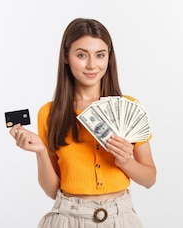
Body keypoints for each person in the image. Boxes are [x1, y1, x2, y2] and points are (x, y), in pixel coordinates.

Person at [9, 18, 156, 228]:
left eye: (100, 55)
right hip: (68, 219)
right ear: (66, 57)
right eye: (81, 55)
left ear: (108, 57)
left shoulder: (129, 106)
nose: (91, 65)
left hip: (121, 219)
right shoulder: (50, 114)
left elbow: (150, 179)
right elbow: (53, 191)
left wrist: (126, 161)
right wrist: (41, 152)